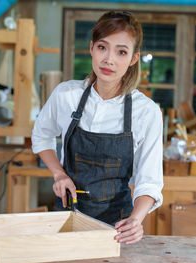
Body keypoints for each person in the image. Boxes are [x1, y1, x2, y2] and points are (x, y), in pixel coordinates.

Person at [32, 11, 163, 244]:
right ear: (92, 48)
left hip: (116, 226)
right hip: (66, 215)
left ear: (133, 58)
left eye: (121, 51)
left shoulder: (147, 112)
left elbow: (150, 181)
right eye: (103, 47)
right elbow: (41, 137)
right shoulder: (66, 95)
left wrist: (136, 220)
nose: (108, 59)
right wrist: (59, 174)